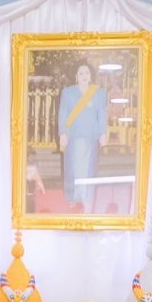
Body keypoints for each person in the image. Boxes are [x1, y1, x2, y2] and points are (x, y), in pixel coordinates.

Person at [57, 61, 109, 211]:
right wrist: (62, 133)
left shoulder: (99, 93)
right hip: (73, 137)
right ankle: (72, 198)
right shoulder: (68, 93)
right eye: (81, 73)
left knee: (89, 168)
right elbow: (63, 113)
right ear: (76, 76)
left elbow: (102, 114)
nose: (84, 76)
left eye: (87, 73)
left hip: (91, 137)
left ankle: (87, 198)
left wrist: (103, 133)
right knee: (72, 168)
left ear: (91, 76)